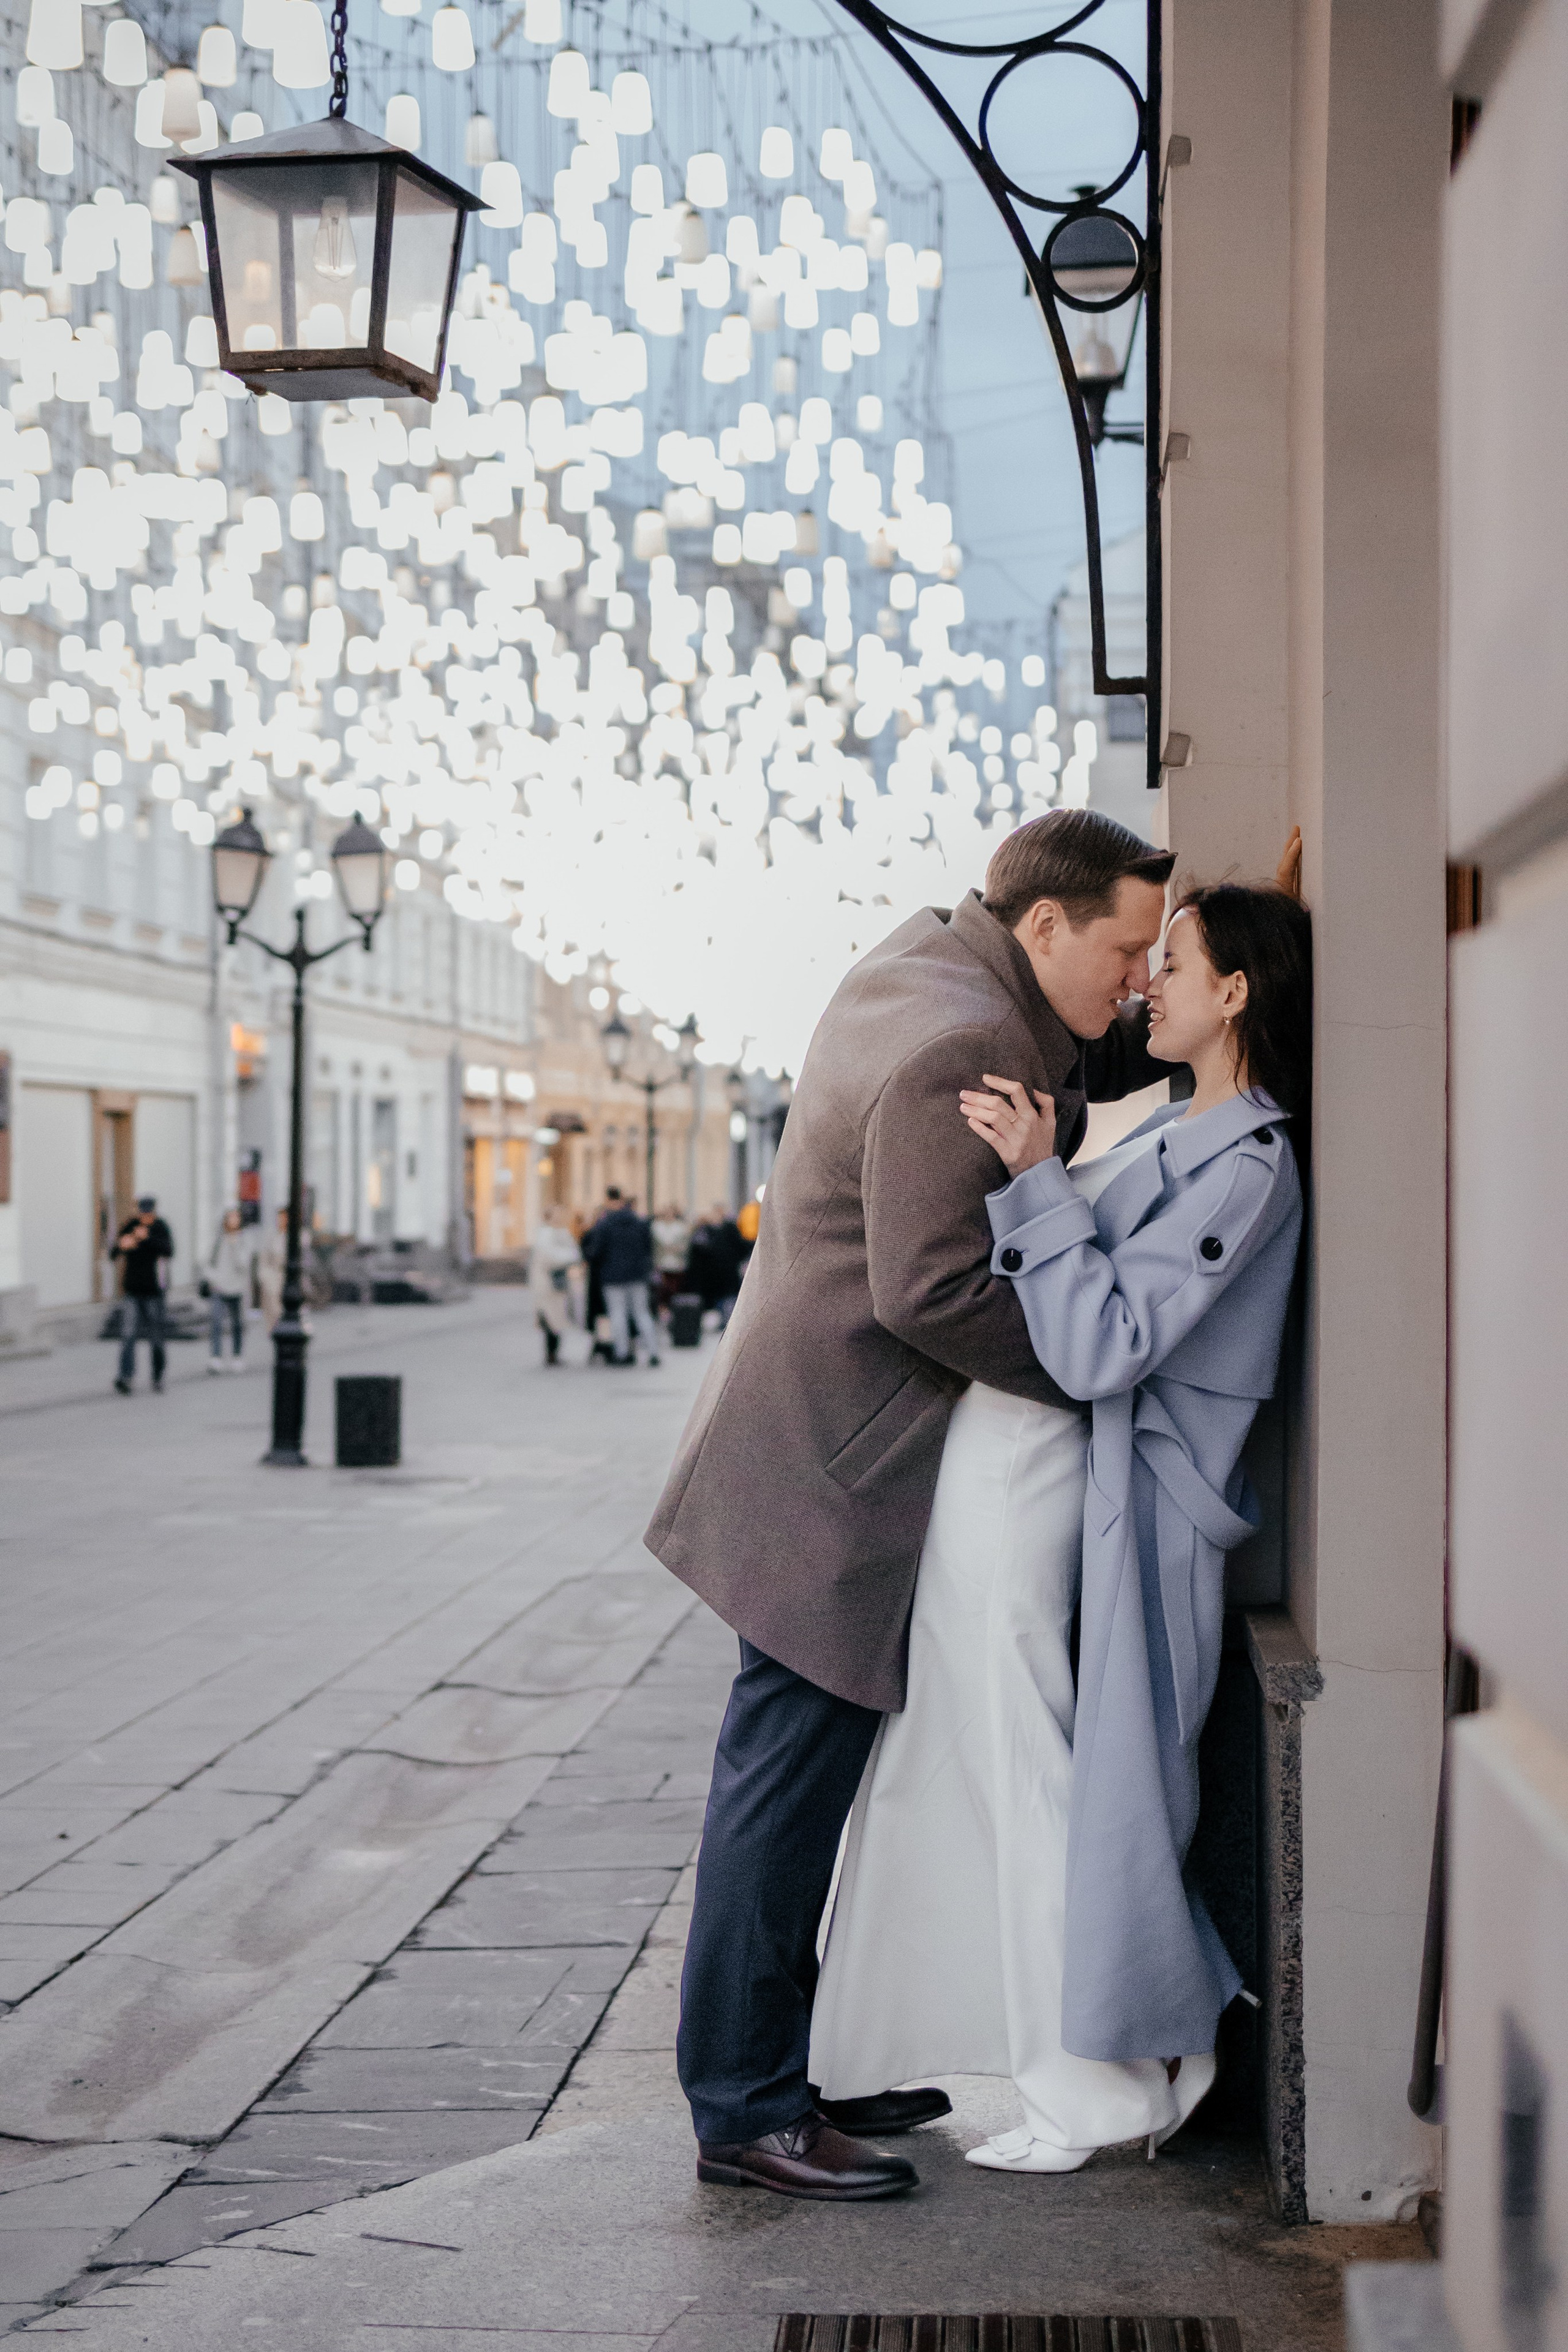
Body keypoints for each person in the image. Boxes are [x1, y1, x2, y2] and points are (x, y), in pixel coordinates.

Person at [647, 809, 1184, 2201]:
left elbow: (1059, 1063)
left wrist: (1195, 998)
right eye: (1125, 949)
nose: (1133, 981)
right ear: (1045, 925)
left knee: (819, 1778)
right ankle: (747, 2107)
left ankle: (797, 2064)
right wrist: (1092, 1376)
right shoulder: (963, 1037)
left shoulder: (929, 963)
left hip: (792, 1441)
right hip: (832, 1470)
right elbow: (930, 1290)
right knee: (781, 1787)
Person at [809, 880, 1310, 2176]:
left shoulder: (1246, 1161)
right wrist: (1045, 1155)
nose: (1148, 982)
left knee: (1079, 1792)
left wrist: (1035, 1177)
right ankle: (1056, 2055)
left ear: (1236, 995)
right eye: (1141, 956)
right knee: (1015, 1771)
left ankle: (1110, 2078)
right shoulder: (1179, 1126)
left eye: (1174, 963)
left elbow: (1099, 1346)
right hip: (1068, 1490)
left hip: (1126, 1512)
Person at [582, 1187, 658, 1366]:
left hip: (613, 1277)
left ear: (609, 1201)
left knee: (618, 1314)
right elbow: (648, 1248)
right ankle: (653, 1352)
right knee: (642, 1313)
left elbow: (595, 1252)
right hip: (638, 1276)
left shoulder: (605, 1224)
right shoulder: (639, 1222)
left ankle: (622, 1352)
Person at [112, 1195, 174, 1395]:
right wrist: (123, 1245)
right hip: (132, 1290)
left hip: (154, 1292)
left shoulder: (160, 1227)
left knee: (156, 1337)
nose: (145, 1217)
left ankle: (158, 1375)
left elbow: (169, 1250)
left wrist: (146, 1239)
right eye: (142, 1213)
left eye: (149, 1214)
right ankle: (126, 1376)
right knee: (128, 1334)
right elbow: (114, 1253)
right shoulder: (130, 1225)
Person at [529, 1205, 581, 1366]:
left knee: (558, 1320)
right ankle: (551, 1354)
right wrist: (568, 1257)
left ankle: (555, 1353)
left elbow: (574, 1253)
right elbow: (553, 1257)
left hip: (559, 1283)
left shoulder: (562, 1233)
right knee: (550, 1319)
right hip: (547, 1284)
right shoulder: (545, 1234)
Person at [206, 1207, 254, 1373]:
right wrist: (213, 1279)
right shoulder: (218, 1240)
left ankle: (237, 1356)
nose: (233, 1221)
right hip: (219, 1287)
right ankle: (216, 1357)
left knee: (237, 1324)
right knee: (216, 1322)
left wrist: (234, 1246)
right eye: (230, 1217)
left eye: (236, 1217)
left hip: (237, 1288)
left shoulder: (244, 1240)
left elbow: (243, 1264)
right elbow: (208, 1262)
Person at [688, 1205, 746, 1330]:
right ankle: (726, 1322)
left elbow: (740, 1246)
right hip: (714, 1274)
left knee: (728, 1298)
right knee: (724, 1299)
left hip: (726, 1272)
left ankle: (729, 1323)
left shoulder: (728, 1228)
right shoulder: (707, 1230)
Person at [650, 1204, 692, 1316]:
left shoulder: (680, 1227)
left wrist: (676, 1249)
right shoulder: (657, 1227)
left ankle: (675, 1312)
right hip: (662, 1263)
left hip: (677, 1263)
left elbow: (686, 1245)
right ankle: (663, 1311)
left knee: (675, 1289)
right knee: (662, 1290)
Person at [257, 1205, 288, 1332]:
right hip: (273, 1277)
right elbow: (264, 1260)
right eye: (280, 1218)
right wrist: (265, 1277)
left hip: (289, 1278)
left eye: (284, 1218)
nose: (281, 1221)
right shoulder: (271, 1236)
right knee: (274, 1308)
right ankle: (276, 1331)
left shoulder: (299, 1236)